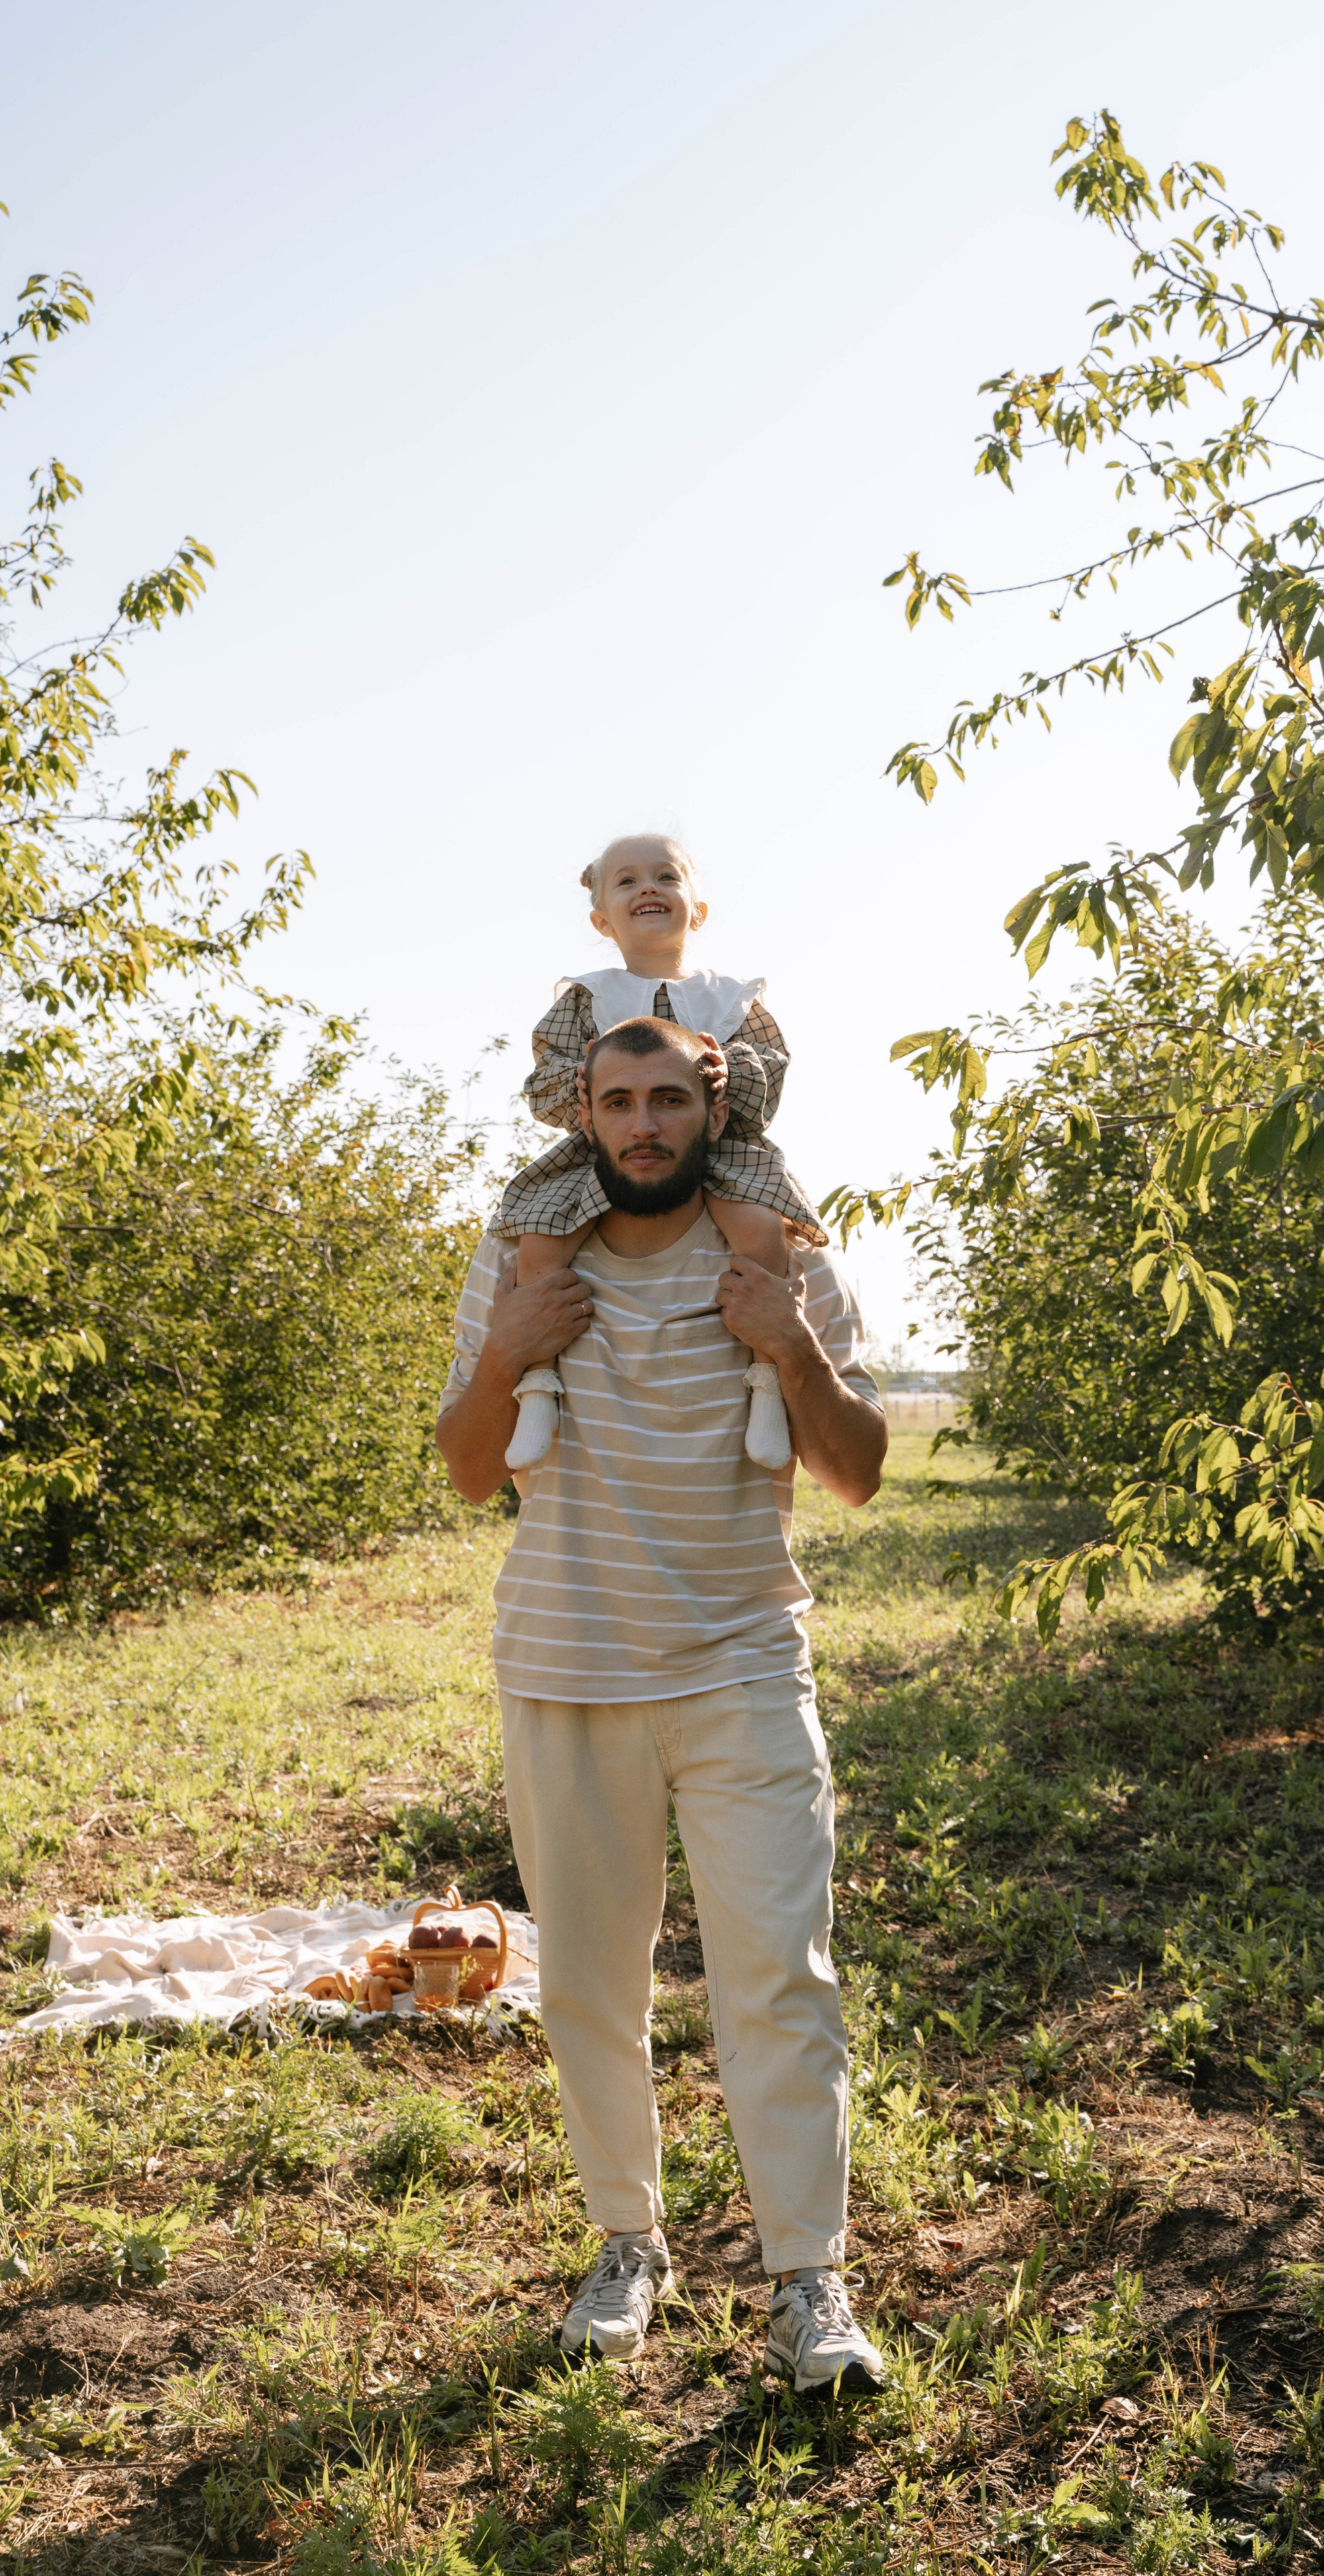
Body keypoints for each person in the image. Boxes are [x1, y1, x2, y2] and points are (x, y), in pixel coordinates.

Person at [436, 1011, 891, 2397]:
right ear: (581, 1109)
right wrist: (508, 1345)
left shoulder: (784, 1258)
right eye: (618, 1100)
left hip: (746, 1664)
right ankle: (627, 2244)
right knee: (585, 1984)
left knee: (779, 1978)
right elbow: (464, 1471)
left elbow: (860, 1472)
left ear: (716, 1106)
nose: (643, 1125)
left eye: (668, 1101)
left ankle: (809, 2277)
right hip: (565, 1669)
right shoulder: (520, 1262)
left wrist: (792, 1348)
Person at [493, 833, 823, 1476]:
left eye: (665, 876)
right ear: (601, 919)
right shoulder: (588, 996)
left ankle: (765, 1381)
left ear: (696, 908)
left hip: (718, 1147)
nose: (648, 888)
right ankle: (537, 1385)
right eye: (627, 882)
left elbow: (771, 1072)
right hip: (605, 1153)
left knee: (761, 1229)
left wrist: (733, 1074)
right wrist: (586, 1082)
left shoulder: (729, 997)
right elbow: (545, 1083)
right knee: (542, 1237)